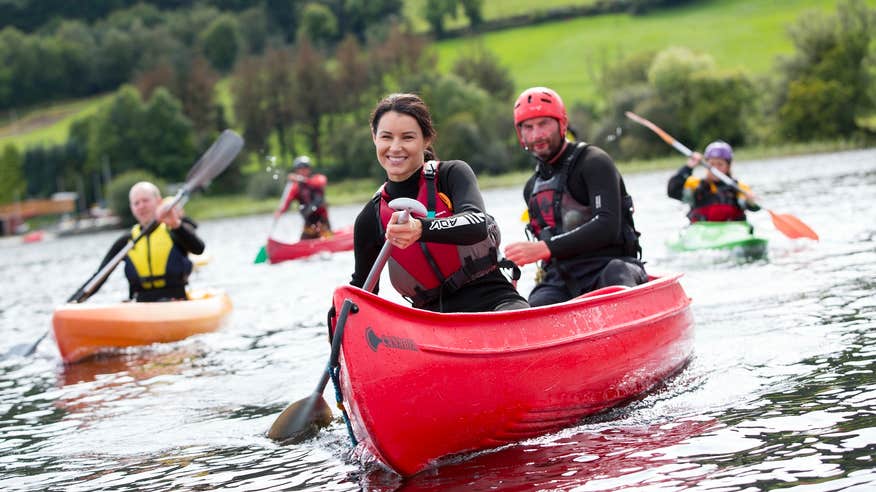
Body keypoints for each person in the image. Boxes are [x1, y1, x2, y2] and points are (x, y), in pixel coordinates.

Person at [349, 93, 528, 313]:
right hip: (431, 325)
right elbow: (362, 292)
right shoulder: (371, 218)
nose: (395, 148)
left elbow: (477, 223)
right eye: (386, 137)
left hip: (495, 301)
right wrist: (339, 315)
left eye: (407, 137)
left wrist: (420, 228)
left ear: (426, 139)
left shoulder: (452, 175)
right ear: (374, 137)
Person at [503, 87, 647, 307]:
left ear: (562, 124)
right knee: (536, 302)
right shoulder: (531, 188)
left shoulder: (594, 162)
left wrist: (544, 248)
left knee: (615, 274)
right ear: (519, 134)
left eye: (544, 124)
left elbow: (607, 226)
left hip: (612, 267)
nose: (536, 135)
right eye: (528, 127)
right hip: (562, 280)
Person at [93, 181, 204, 302]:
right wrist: (73, 304)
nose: (141, 206)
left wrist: (176, 224)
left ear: (159, 201)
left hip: (176, 301)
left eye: (145, 200)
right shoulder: (126, 241)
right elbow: (99, 277)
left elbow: (198, 249)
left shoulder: (173, 230)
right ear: (132, 208)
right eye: (136, 203)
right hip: (140, 304)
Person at [667, 140, 761, 222]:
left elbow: (754, 207)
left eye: (720, 164)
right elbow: (672, 191)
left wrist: (751, 201)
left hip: (732, 232)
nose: (715, 169)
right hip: (701, 233)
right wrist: (688, 167)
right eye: (711, 164)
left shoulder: (739, 188)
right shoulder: (694, 185)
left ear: (728, 166)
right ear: (706, 164)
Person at [274, 155, 332, 240]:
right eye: (300, 168)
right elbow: (288, 200)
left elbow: (322, 182)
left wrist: (300, 179)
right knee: (304, 241)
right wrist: (280, 211)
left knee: (326, 238)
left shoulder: (317, 179)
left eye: (305, 167)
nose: (303, 170)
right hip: (309, 224)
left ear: (310, 169)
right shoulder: (295, 188)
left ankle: (328, 239)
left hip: (322, 222)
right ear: (296, 170)